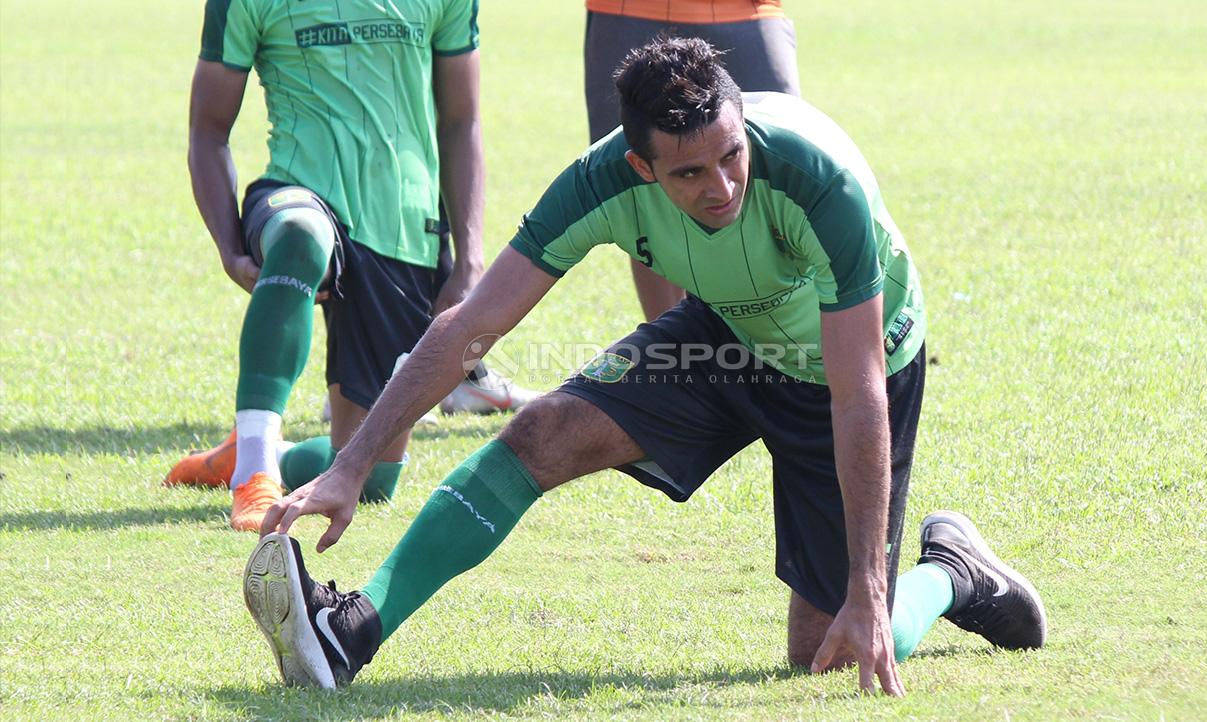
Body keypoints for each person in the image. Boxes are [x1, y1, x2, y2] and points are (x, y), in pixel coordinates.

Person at [242, 37, 1047, 695]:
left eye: (731, 156)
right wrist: (351, 464)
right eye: (690, 173)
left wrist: (870, 587)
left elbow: (858, 393)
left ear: (740, 124)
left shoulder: (814, 181)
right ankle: (353, 628)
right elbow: (468, 329)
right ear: (642, 170)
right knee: (540, 431)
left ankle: (950, 574)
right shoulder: (599, 183)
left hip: (850, 365)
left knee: (829, 648)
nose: (723, 185)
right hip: (727, 330)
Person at [164, 0, 538, 532]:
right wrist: (229, 247)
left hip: (405, 230)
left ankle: (266, 454)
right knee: (300, 235)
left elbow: (462, 120)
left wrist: (468, 258)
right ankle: (253, 470)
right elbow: (208, 129)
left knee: (374, 473)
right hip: (298, 189)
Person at [584, 0, 801, 321]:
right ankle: (679, 355)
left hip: (748, 11)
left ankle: (780, 345)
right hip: (628, 10)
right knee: (645, 197)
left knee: (778, 174)